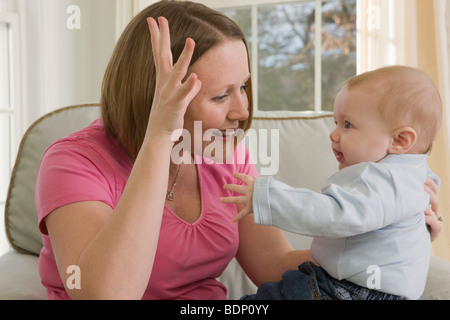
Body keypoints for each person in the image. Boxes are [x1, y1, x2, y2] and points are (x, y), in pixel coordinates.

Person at [34, 0, 318, 300]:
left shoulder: (227, 156)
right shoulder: (73, 163)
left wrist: (361, 255)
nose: (242, 110)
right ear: (154, 98)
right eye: (221, 96)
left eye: (243, 87)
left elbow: (275, 266)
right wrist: (160, 137)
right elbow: (107, 295)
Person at [221, 65, 443, 300]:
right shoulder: (414, 177)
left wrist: (266, 197)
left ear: (400, 140)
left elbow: (335, 213)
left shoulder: (385, 179)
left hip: (352, 291)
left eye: (347, 125)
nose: (333, 135)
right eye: (336, 122)